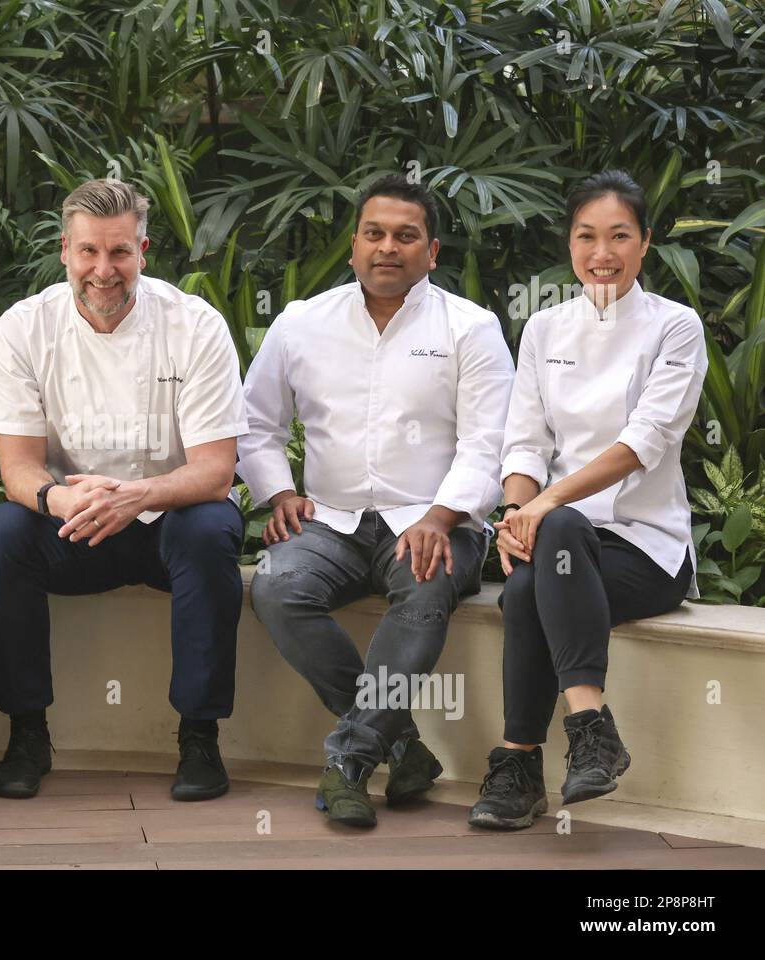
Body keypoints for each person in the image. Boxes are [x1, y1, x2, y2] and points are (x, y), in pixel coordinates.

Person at [240, 174, 514, 828]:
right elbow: (253, 422)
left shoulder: (469, 329)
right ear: (355, 243)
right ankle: (402, 747)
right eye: (374, 233)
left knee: (422, 584)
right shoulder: (302, 323)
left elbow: (491, 443)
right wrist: (277, 489)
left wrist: (442, 517)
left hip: (435, 522)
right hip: (329, 522)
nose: (387, 247)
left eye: (404, 236)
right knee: (276, 585)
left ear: (432, 252)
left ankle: (351, 759)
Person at [0, 179, 248, 801]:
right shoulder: (24, 328)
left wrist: (136, 496)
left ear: (143, 251)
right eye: (89, 252)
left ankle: (200, 738)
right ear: (65, 251)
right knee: (0, 536)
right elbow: (17, 470)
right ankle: (26, 733)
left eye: (120, 252)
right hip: (72, 522)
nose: (104, 270)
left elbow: (215, 471)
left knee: (210, 530)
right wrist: (62, 500)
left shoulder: (194, 325)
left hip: (169, 524)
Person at [468, 171, 706, 830]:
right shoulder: (545, 329)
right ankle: (558, 748)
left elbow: (643, 443)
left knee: (562, 529)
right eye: (587, 236)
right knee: (523, 586)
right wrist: (518, 515)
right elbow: (524, 441)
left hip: (646, 550)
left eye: (619, 236)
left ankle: (545, 751)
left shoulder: (676, 328)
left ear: (645, 243)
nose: (603, 252)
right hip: (561, 540)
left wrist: (542, 508)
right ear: (569, 243)